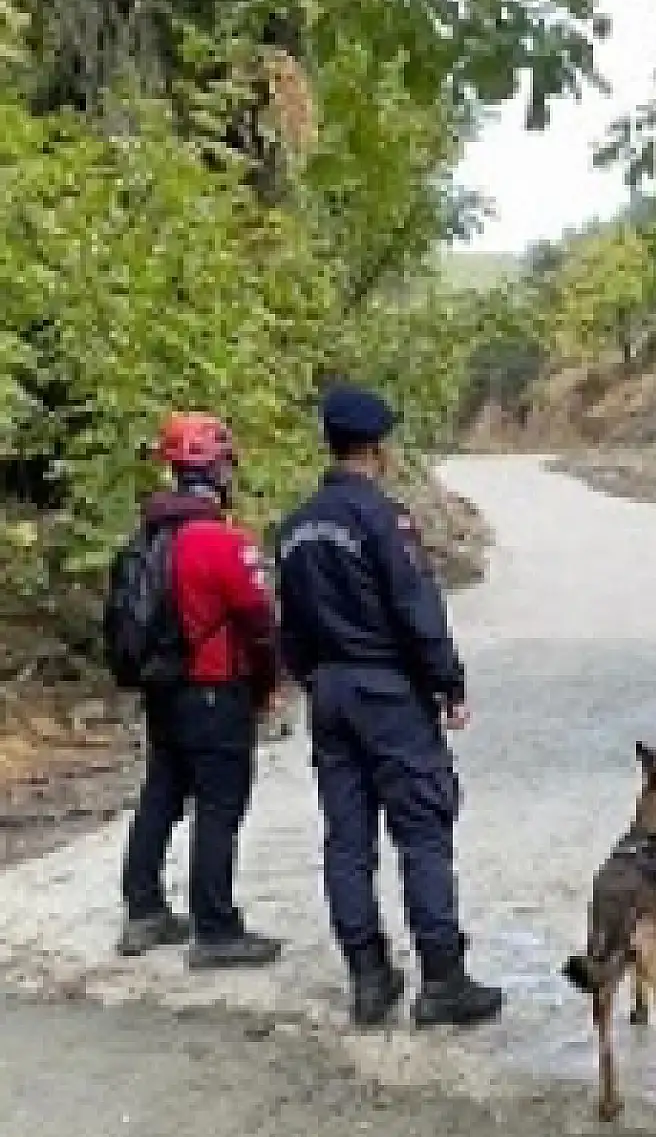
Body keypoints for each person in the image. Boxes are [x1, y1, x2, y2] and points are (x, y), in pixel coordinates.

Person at [275, 386, 502, 1030]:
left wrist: (314, 682)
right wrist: (449, 684)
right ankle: (443, 981)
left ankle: (368, 978)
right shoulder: (384, 520)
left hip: (331, 695)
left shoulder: (293, 528)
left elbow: (288, 628)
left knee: (348, 839)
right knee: (422, 832)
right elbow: (415, 610)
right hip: (389, 693)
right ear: (377, 447)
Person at [117, 413, 284, 968]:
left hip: (162, 689)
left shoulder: (148, 535)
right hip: (215, 690)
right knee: (218, 808)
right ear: (217, 468)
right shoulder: (220, 540)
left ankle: (143, 911)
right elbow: (259, 622)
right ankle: (216, 931)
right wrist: (267, 685)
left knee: (161, 793)